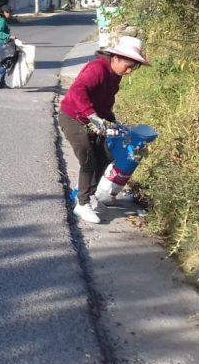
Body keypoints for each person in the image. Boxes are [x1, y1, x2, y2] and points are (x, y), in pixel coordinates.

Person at [59, 34, 150, 223]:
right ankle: (81, 204)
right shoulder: (97, 69)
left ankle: (89, 195)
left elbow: (105, 101)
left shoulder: (115, 75)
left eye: (133, 68)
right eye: (128, 66)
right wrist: (91, 115)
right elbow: (77, 91)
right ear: (115, 58)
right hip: (73, 118)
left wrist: (111, 121)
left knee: (105, 155)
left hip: (94, 120)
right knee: (88, 158)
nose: (129, 71)